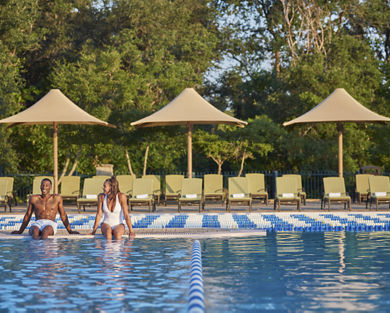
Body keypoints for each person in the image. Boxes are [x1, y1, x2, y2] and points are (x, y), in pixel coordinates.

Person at [12, 178, 79, 240]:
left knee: (46, 230)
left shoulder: (56, 198)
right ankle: (35, 250)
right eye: (42, 185)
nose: (44, 187)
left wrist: (70, 231)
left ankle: (44, 250)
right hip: (37, 223)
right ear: (40, 187)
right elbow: (28, 215)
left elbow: (63, 215)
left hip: (50, 224)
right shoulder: (34, 198)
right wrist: (20, 231)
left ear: (50, 187)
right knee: (35, 231)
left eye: (47, 185)